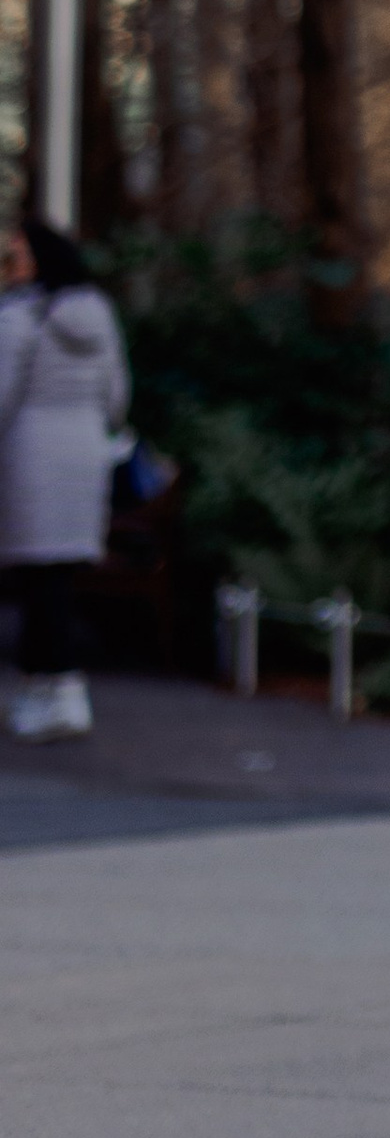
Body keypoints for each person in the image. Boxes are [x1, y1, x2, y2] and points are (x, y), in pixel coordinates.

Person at [0, 215, 131, 744]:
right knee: (57, 578)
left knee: (38, 579)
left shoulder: (20, 318)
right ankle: (50, 690)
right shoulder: (97, 313)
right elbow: (117, 394)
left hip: (32, 454)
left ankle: (56, 690)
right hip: (84, 453)